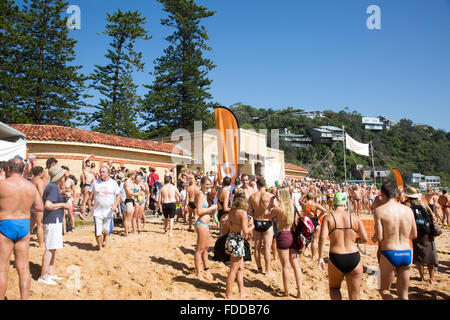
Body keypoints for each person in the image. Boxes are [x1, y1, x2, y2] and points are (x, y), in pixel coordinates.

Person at [0, 158, 44, 299]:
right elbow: (39, 207)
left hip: (5, 224)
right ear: (24, 170)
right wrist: (25, 207)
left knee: (2, 269)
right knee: (24, 268)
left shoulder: (2, 185)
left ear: (8, 169)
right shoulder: (30, 186)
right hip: (23, 225)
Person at [318, 192, 368, 300]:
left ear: (334, 204)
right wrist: (356, 240)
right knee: (355, 296)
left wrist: (320, 257)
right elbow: (365, 238)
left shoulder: (328, 217)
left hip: (336, 256)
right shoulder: (355, 217)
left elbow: (322, 238)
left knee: (334, 289)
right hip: (353, 256)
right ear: (345, 204)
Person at [373, 182, 417, 300]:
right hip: (407, 253)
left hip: (390, 252)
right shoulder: (408, 210)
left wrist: (374, 238)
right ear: (396, 193)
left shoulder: (379, 211)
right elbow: (414, 234)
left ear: (382, 194)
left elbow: (379, 237)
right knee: (404, 295)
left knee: (384, 290)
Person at [263, 187, 303, 298]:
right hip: (292, 235)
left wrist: (271, 202)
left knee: (285, 266)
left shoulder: (278, 209)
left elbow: (265, 215)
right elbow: (295, 222)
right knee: (296, 266)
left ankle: (286, 291)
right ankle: (300, 291)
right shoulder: (292, 207)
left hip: (283, 235)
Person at [39, 166, 71, 285]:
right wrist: (63, 205)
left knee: (53, 248)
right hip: (52, 220)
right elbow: (48, 205)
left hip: (53, 220)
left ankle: (50, 273)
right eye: (63, 176)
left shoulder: (52, 187)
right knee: (49, 249)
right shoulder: (53, 187)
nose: (65, 177)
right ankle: (43, 275)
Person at [403, 187, 439, 285]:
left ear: (407, 195)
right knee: (430, 255)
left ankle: (421, 277)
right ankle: (432, 278)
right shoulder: (423, 203)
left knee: (419, 254)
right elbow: (432, 216)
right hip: (427, 232)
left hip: (415, 232)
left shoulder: (406, 205)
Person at [225, 189, 254, 299]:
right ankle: (228, 295)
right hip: (237, 240)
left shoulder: (231, 210)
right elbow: (246, 231)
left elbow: (229, 225)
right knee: (233, 269)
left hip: (231, 237)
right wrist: (253, 226)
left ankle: (242, 291)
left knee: (240, 267)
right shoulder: (242, 213)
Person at [89, 167, 121, 250]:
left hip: (109, 211)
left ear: (108, 173)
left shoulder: (113, 183)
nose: (101, 173)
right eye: (100, 172)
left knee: (108, 229)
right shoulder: (95, 183)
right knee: (97, 231)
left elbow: (118, 195)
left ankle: (106, 237)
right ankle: (99, 248)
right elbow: (89, 195)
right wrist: (86, 204)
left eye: (103, 172)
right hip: (97, 211)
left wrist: (115, 205)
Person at [248, 177, 274, 276]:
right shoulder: (270, 196)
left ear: (257, 185)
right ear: (265, 184)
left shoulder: (252, 197)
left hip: (257, 221)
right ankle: (267, 270)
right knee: (267, 248)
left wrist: (256, 215)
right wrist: (270, 215)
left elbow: (249, 211)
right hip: (267, 222)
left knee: (257, 247)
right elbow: (276, 208)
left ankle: (259, 268)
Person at [193, 176, 217, 281]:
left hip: (205, 224)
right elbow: (199, 211)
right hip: (201, 224)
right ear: (202, 184)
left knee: (206, 248)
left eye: (210, 184)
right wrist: (210, 209)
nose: (209, 186)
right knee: (199, 249)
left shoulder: (204, 194)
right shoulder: (199, 194)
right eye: (207, 184)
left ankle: (206, 269)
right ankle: (198, 273)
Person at [299, 193, 327, 260]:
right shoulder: (315, 205)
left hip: (306, 221)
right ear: (313, 197)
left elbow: (299, 200)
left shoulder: (303, 204)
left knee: (304, 238)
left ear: (306, 197)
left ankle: (302, 253)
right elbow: (324, 210)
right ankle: (313, 256)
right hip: (314, 221)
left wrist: (304, 195)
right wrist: (318, 216)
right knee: (314, 240)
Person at [30, 166, 46, 247]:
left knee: (32, 223)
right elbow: (41, 193)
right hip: (38, 204)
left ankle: (24, 239)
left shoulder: (32, 180)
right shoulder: (39, 181)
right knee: (40, 224)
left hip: (31, 204)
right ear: (40, 173)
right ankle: (41, 243)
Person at [61, 166, 76, 233]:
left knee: (70, 213)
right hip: (62, 198)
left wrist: (74, 200)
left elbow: (74, 191)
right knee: (63, 214)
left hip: (68, 198)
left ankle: (73, 227)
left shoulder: (71, 181)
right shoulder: (60, 181)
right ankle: (64, 230)